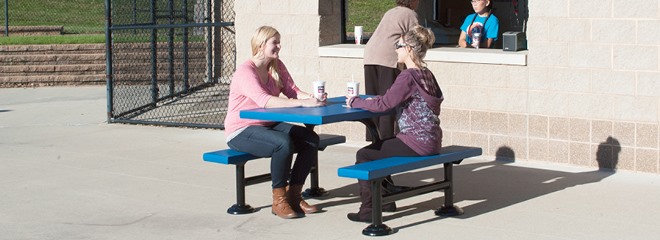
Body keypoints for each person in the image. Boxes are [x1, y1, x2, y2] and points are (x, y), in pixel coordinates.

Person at [224, 26, 326, 219]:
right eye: (275, 42)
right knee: (282, 144)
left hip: (268, 124)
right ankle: (279, 201)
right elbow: (265, 101)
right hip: (241, 129)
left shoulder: (276, 65)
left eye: (279, 42)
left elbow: (292, 90)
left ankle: (294, 196)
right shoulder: (246, 71)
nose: (279, 46)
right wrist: (302, 104)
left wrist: (314, 98)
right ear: (261, 45)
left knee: (311, 138)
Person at [345, 25, 444, 222]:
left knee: (364, 155)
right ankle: (386, 201)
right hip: (432, 140)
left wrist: (356, 101)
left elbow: (384, 105)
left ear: (408, 49)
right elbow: (393, 100)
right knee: (384, 147)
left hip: (415, 142)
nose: (395, 49)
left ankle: (368, 210)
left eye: (398, 45)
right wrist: (378, 101)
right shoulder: (427, 74)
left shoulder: (407, 76)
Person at [363, 0, 420, 141]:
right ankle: (386, 141)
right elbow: (416, 41)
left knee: (373, 99)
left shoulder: (391, 12)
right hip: (389, 58)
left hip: (370, 56)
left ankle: (373, 140)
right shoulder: (410, 14)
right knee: (388, 102)